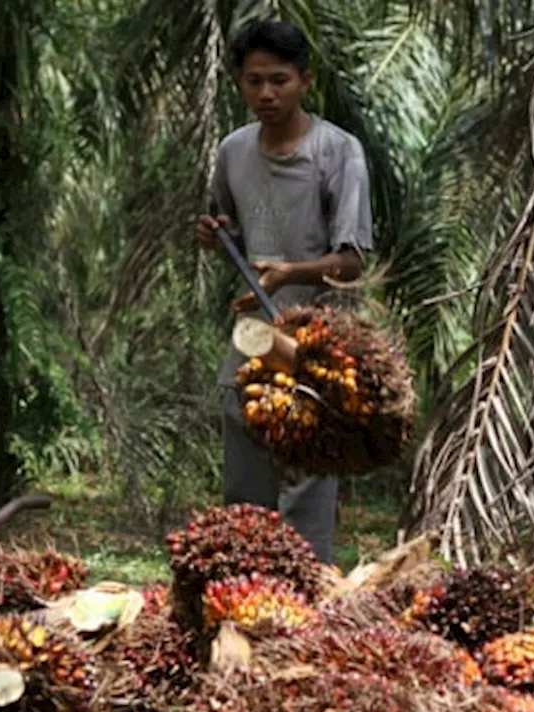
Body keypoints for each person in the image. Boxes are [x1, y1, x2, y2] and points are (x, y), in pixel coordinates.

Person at [194, 18, 374, 564]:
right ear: (239, 84)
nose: (266, 94)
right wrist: (215, 236)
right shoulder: (233, 152)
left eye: (279, 80)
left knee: (306, 477)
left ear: (305, 82)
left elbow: (352, 261)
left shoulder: (337, 152)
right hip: (256, 332)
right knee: (243, 458)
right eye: (254, 81)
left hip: (320, 340)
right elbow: (230, 230)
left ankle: (306, 599)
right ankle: (241, 586)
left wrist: (288, 272)